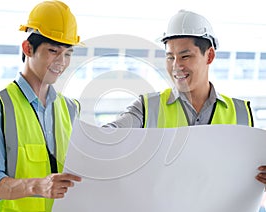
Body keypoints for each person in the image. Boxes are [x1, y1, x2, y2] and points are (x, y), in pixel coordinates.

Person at [104, 8, 266, 199]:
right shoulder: (146, 107)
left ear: (210, 56)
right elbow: (106, 138)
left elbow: (249, 177)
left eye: (185, 56)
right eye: (170, 57)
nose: (176, 66)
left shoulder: (241, 113)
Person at [0, 1, 83, 211]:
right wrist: (38, 185)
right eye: (53, 50)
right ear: (28, 48)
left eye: (68, 53)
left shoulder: (70, 109)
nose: (62, 62)